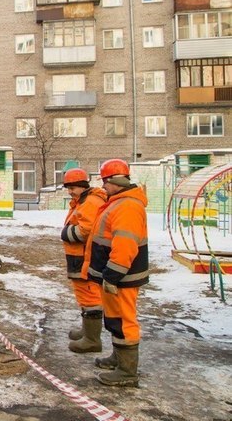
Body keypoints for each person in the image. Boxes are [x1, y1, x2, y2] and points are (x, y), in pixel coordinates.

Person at [85, 159, 148, 388]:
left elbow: (125, 245)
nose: (103, 187)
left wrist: (112, 274)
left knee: (124, 321)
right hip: (114, 275)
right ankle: (118, 358)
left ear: (115, 181)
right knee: (114, 320)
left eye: (105, 182)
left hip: (121, 277)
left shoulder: (127, 206)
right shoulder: (119, 202)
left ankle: (127, 371)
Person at [60, 168, 107, 353]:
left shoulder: (90, 202)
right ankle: (87, 331)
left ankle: (92, 339)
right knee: (83, 293)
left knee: (89, 294)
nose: (70, 191)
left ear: (82, 186)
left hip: (84, 256)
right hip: (78, 256)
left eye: (73, 187)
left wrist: (67, 234)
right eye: (68, 188)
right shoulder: (83, 201)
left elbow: (85, 229)